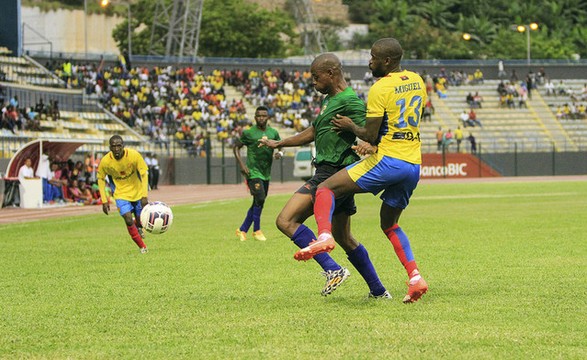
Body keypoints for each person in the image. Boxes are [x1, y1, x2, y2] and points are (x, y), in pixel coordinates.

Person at [298, 38, 429, 303]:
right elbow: (395, 125)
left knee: (325, 189)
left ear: (387, 61)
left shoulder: (381, 88)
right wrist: (371, 144)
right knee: (390, 224)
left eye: (373, 58)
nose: (370, 62)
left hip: (389, 161)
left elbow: (369, 132)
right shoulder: (418, 81)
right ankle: (415, 277)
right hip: (413, 163)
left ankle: (324, 236)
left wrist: (350, 127)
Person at [259, 53, 390, 298]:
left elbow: (374, 131)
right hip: (338, 175)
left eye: (315, 76)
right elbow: (314, 130)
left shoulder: (350, 100)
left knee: (285, 221)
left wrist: (372, 145)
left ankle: (333, 268)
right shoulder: (331, 100)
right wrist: (281, 143)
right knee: (344, 237)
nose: (312, 81)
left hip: (331, 174)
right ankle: (379, 290)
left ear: (330, 73)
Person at [233, 106, 282, 242]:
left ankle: (242, 229)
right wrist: (242, 165)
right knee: (260, 198)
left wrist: (280, 153)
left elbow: (280, 144)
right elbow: (236, 147)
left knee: (259, 201)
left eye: (264, 115)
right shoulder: (249, 133)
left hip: (266, 172)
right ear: (255, 117)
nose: (261, 118)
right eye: (259, 115)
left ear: (268, 118)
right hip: (253, 172)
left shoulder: (273, 132)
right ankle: (257, 230)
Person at [97, 135, 149, 253]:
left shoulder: (134, 155)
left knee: (141, 220)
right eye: (113, 146)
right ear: (110, 147)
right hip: (121, 194)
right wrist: (104, 201)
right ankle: (142, 247)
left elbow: (144, 174)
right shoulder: (105, 161)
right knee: (128, 219)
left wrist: (144, 195)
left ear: (123, 146)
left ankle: (139, 226)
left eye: (118, 146)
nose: (116, 149)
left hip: (138, 192)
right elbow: (100, 178)